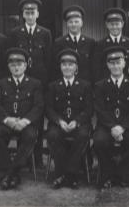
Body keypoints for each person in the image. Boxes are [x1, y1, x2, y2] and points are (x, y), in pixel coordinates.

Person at [0, 47, 44, 190]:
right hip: (7, 123)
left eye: (19, 64)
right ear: (8, 66)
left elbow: (38, 106)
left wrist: (25, 121)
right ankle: (12, 172)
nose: (16, 67)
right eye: (13, 65)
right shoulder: (0, 83)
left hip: (26, 124)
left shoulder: (35, 83)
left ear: (25, 65)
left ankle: (9, 174)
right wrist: (8, 120)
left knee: (31, 135)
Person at [8, 0, 52, 166]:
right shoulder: (15, 33)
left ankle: (38, 158)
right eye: (27, 12)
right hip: (21, 83)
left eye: (33, 12)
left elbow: (48, 60)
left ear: (38, 14)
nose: (30, 15)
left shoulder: (45, 33)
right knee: (20, 117)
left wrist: (46, 83)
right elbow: (11, 59)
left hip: (39, 83)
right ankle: (23, 158)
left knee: (38, 121)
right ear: (23, 14)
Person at [93, 46, 129, 189]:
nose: (115, 66)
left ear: (124, 64)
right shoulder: (100, 85)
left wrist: (122, 127)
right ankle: (110, 173)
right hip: (106, 125)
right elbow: (100, 109)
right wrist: (112, 127)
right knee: (99, 142)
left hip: (128, 125)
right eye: (112, 63)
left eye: (118, 62)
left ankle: (120, 173)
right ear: (107, 65)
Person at [45, 48, 93, 189]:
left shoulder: (85, 85)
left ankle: (66, 174)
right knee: (52, 135)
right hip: (59, 123)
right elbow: (49, 108)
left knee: (83, 135)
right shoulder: (53, 86)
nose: (67, 67)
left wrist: (77, 122)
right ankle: (69, 175)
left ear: (76, 67)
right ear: (60, 67)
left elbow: (89, 109)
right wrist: (59, 121)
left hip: (79, 123)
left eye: (70, 65)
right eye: (64, 65)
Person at [93, 7, 129, 82]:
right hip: (106, 84)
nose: (114, 27)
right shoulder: (100, 44)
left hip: (125, 83)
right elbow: (97, 70)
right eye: (112, 24)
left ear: (122, 24)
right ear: (107, 25)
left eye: (117, 24)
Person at [53, 5, 95, 82]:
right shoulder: (59, 42)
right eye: (70, 22)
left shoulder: (90, 42)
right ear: (67, 24)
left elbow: (93, 67)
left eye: (76, 21)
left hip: (86, 84)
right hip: (66, 83)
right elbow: (56, 67)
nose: (73, 24)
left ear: (82, 23)